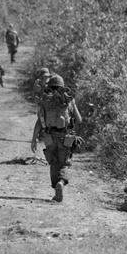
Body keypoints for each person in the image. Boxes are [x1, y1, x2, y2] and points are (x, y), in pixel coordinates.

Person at [31, 74, 82, 203]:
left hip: (49, 136)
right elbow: (79, 119)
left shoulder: (45, 101)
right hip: (65, 137)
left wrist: (33, 139)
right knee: (64, 163)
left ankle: (56, 191)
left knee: (53, 163)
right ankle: (61, 182)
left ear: (50, 86)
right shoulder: (69, 100)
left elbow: (39, 121)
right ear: (62, 86)